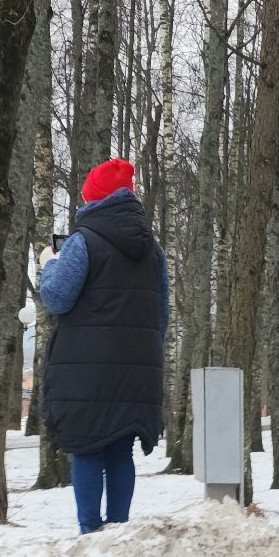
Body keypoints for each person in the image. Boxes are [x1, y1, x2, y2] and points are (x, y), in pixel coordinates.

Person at [36, 158, 170, 534]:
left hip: (86, 370)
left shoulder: (83, 241)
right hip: (137, 369)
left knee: (87, 446)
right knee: (119, 448)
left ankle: (91, 532)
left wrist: (49, 264)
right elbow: (162, 313)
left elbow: (57, 298)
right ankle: (121, 529)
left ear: (93, 199)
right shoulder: (153, 250)